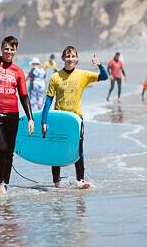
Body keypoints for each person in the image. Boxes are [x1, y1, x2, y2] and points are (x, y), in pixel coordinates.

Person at [41, 46, 108, 189]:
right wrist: (44, 121)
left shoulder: (83, 75)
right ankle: (57, 182)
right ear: (62, 59)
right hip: (59, 118)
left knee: (78, 150)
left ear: (76, 59)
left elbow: (104, 77)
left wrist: (99, 65)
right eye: (67, 56)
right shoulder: (55, 77)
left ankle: (80, 180)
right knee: (57, 149)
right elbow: (48, 100)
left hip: (76, 118)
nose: (70, 59)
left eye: (72, 56)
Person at [0, 36, 34, 194]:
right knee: (1, 148)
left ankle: (6, 184)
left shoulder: (18, 71)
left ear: (16, 50)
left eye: (12, 49)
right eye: (6, 48)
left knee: (9, 150)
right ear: (1, 49)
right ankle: (0, 183)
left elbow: (24, 95)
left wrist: (30, 118)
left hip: (13, 114)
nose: (9, 51)